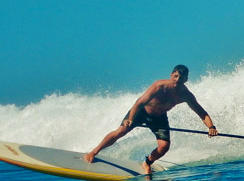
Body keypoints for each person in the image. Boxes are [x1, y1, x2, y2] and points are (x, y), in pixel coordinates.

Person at [84, 65, 217, 174]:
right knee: (121, 131)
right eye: (175, 76)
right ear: (171, 75)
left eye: (181, 78)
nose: (177, 80)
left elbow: (202, 113)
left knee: (164, 146)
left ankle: (147, 163)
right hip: (141, 112)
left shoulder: (186, 95)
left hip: (159, 118)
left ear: (186, 80)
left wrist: (211, 127)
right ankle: (94, 152)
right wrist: (130, 118)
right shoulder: (159, 86)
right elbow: (139, 103)